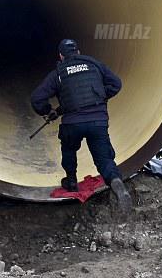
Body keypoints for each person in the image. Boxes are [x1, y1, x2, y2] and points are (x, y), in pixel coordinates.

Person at [30, 39, 132, 212]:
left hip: (72, 123)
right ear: (78, 52)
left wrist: (47, 111)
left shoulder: (58, 73)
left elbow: (37, 98)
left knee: (69, 149)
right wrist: (99, 97)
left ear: (61, 56)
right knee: (104, 158)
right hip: (98, 121)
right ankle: (116, 182)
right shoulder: (94, 64)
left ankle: (71, 181)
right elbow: (116, 84)